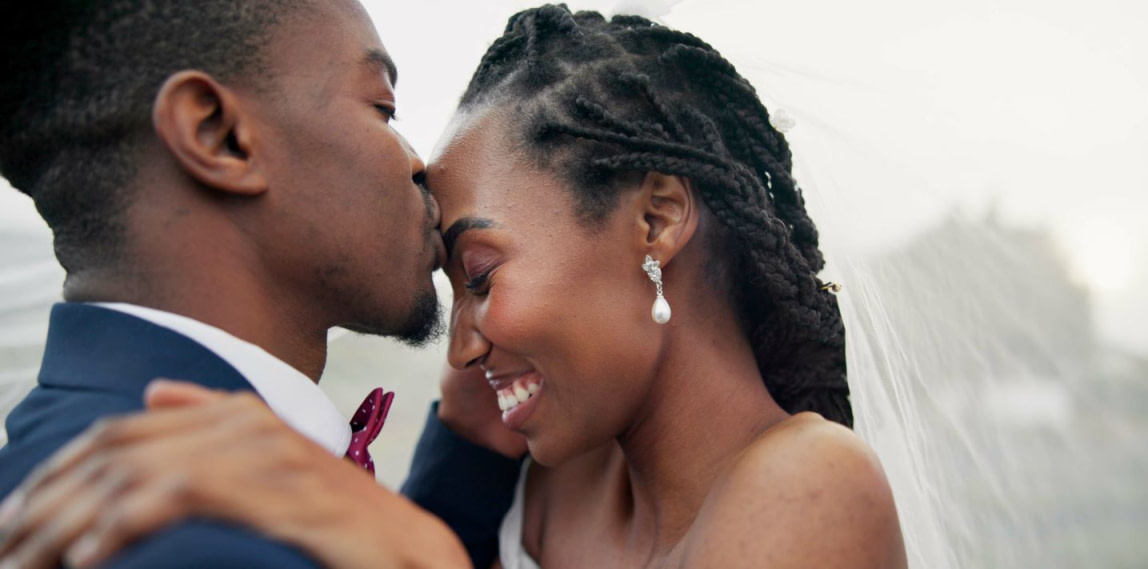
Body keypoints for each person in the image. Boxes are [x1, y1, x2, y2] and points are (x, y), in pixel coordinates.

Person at [1, 5, 907, 568]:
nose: (461, 345)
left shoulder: (793, 485)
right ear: (219, 135)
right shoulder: (172, 523)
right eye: (382, 107)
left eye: (478, 274)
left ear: (658, 222)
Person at [0, 1, 522, 568]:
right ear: (219, 136)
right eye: (382, 107)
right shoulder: (192, 539)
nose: (419, 161)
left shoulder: (75, 455)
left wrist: (469, 450)